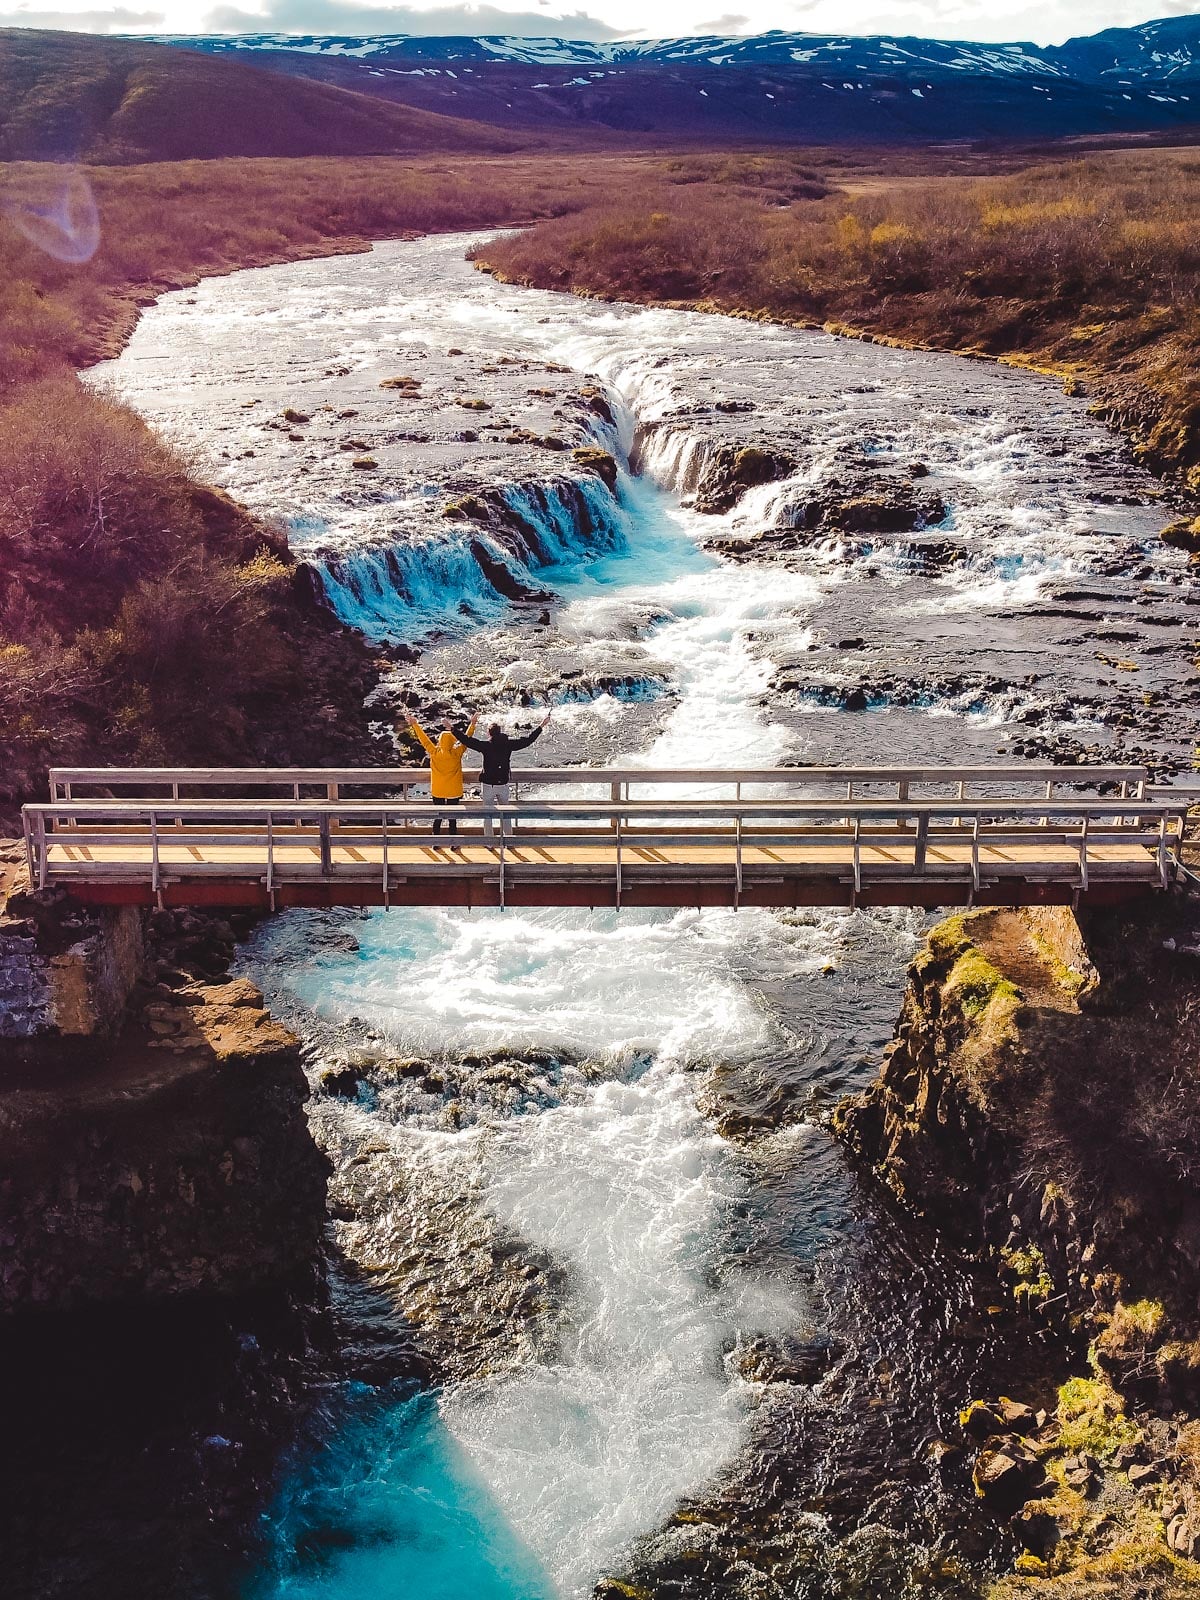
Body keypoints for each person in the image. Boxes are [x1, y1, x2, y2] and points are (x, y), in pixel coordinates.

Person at [453, 710, 552, 840]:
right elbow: (528, 741)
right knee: (506, 814)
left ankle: (489, 841)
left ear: (489, 733)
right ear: (500, 732)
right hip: (503, 783)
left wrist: (453, 729)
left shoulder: (486, 746)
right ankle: (508, 840)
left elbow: (468, 741)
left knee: (487, 815)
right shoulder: (508, 744)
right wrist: (541, 725)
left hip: (489, 785)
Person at [404, 713, 476, 838]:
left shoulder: (434, 752)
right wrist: (472, 724)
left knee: (438, 817)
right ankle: (453, 842)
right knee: (452, 819)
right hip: (454, 790)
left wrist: (415, 724)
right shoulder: (457, 752)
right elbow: (467, 740)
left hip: (438, 790)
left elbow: (424, 740)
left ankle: (435, 841)